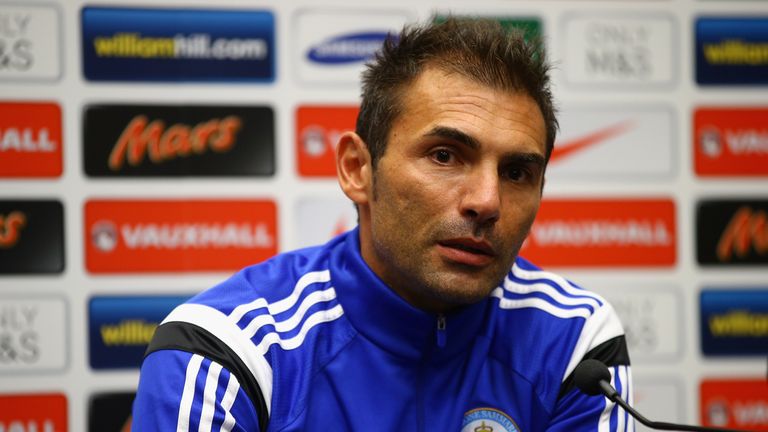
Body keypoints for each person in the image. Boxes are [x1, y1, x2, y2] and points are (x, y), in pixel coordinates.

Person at [132, 17, 633, 431]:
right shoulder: (226, 350)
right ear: (357, 169)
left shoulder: (574, 340)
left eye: (517, 172)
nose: (487, 201)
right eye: (444, 156)